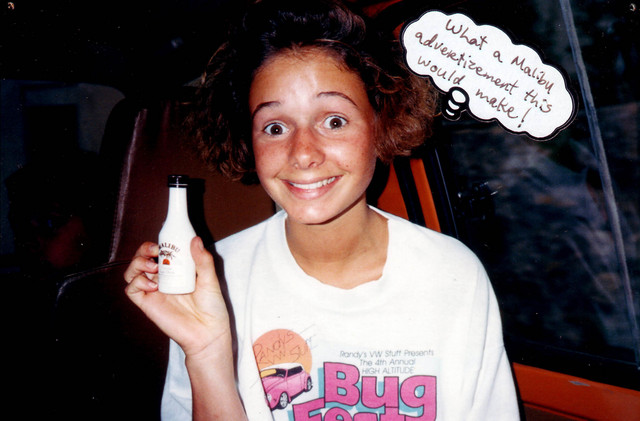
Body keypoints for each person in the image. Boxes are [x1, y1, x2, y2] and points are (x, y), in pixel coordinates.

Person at [123, 0, 520, 419]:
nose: (303, 153)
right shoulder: (212, 282)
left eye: (333, 121)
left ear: (381, 123)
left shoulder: (453, 274)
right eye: (275, 127)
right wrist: (206, 351)